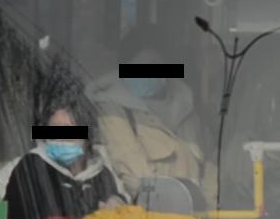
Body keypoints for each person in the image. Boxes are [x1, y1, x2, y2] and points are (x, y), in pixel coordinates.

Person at [87, 33, 213, 203]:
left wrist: (210, 206)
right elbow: (131, 170)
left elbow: (211, 166)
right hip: (153, 218)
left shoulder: (186, 108)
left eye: (155, 63)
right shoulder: (114, 109)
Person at [0, 104, 125, 219]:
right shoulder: (29, 166)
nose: (60, 137)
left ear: (88, 138)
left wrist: (117, 203)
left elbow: (124, 203)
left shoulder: (102, 172)